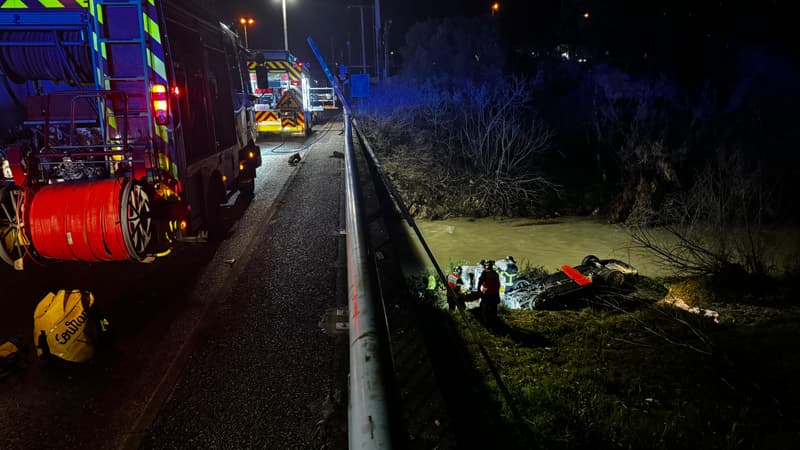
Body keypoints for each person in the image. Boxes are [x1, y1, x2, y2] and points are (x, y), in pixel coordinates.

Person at [477, 259, 501, 326]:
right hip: (494, 294)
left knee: (484, 306)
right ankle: (494, 321)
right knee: (493, 308)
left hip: (487, 293)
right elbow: (498, 285)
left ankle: (485, 321)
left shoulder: (485, 273)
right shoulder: (495, 274)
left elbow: (480, 282)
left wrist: (479, 290)